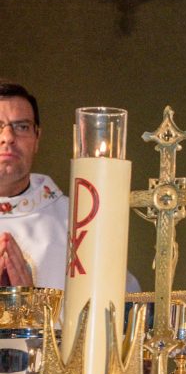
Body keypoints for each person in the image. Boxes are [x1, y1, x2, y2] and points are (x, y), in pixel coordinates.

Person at [0, 81, 141, 292]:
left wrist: (32, 306)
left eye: (22, 127)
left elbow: (121, 304)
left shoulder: (78, 224)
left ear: (37, 138)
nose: (8, 137)